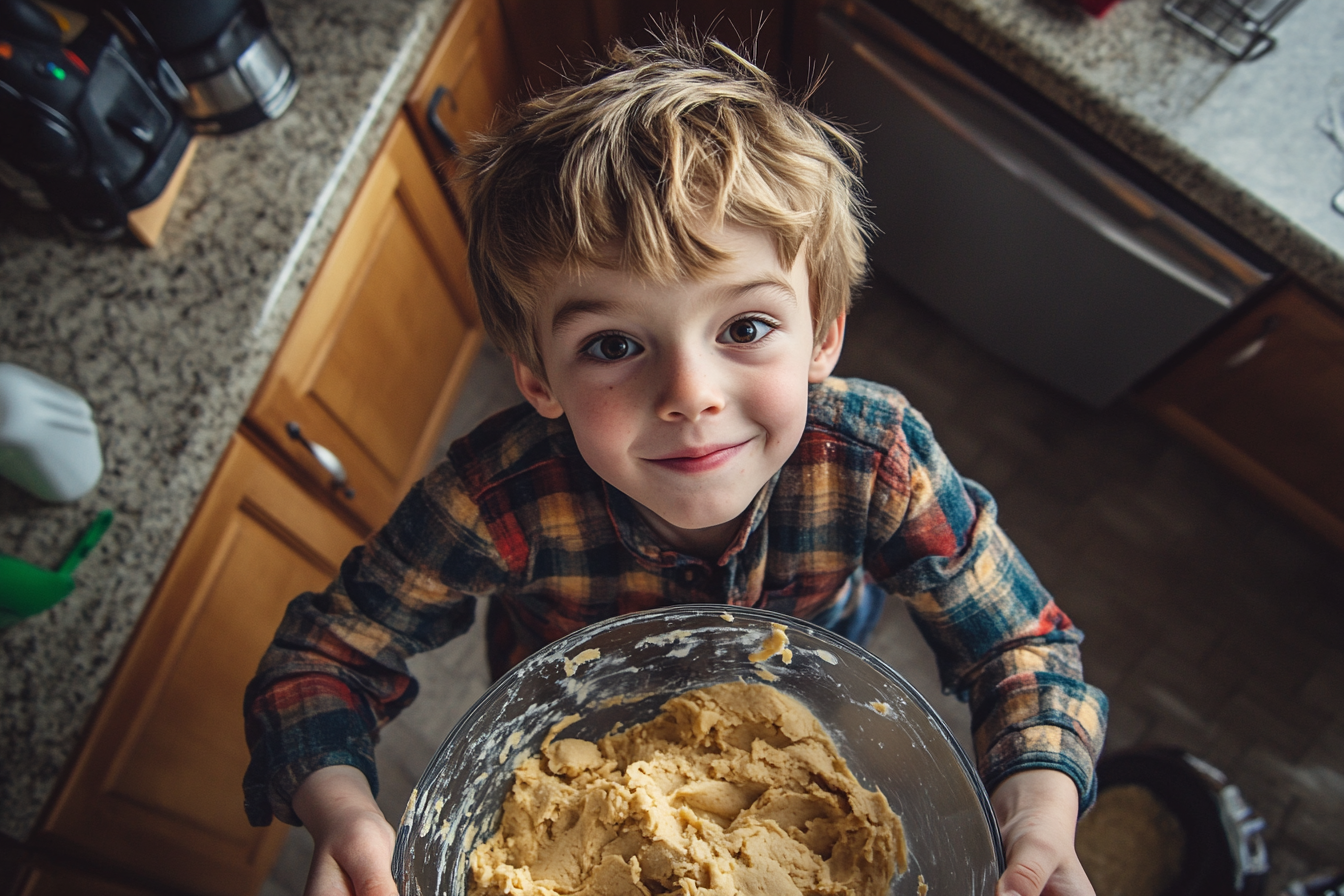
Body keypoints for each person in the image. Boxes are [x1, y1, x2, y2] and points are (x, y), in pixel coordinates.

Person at [243, 29, 1107, 896]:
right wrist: (345, 815)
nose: (690, 394)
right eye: (614, 343)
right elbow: (320, 661)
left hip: (808, 681)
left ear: (825, 334)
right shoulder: (496, 498)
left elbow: (1024, 649)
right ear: (539, 378)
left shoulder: (875, 459)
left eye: (745, 327)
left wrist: (1038, 812)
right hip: (570, 737)